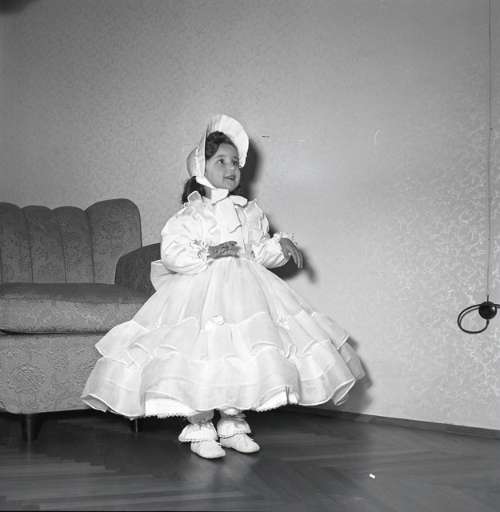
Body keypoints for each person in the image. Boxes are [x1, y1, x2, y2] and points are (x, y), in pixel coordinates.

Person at [81, 114, 365, 459]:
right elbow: (173, 253)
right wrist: (209, 252)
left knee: (239, 353)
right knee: (200, 354)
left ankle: (232, 424)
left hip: (245, 295)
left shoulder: (248, 212)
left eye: (235, 162)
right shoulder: (191, 214)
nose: (231, 168)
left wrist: (280, 246)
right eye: (221, 161)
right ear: (201, 168)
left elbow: (258, 252)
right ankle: (200, 427)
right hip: (200, 293)